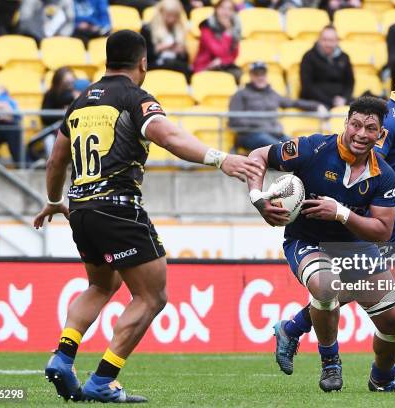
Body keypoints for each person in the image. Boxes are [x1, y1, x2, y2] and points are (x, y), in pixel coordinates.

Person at [34, 30, 262, 403]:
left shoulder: (79, 102)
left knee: (101, 286)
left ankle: (63, 355)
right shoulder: (135, 98)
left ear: (107, 60)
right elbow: (168, 136)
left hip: (81, 210)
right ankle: (103, 379)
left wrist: (54, 199)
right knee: (152, 295)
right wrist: (221, 159)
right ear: (143, 63)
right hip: (118, 208)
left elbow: (57, 158)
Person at [272, 52, 395, 385]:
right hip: (379, 214)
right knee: (351, 289)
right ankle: (294, 329)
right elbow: (372, 165)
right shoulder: (386, 120)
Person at [247, 96, 395, 393]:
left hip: (354, 247)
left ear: (381, 135)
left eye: (371, 128)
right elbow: (258, 155)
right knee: (326, 286)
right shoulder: (313, 148)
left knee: (393, 322)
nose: (362, 134)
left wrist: (340, 212)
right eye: (356, 125)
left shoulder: (383, 175)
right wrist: (258, 198)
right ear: (346, 123)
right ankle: (330, 363)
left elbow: (382, 231)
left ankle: (382, 378)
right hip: (306, 240)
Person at [229, 61, 326, 150]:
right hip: (251, 134)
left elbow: (292, 102)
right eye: (256, 74)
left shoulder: (272, 94)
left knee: (300, 147)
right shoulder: (240, 94)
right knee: (284, 149)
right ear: (251, 76)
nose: (260, 77)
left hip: (274, 134)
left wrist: (316, 106)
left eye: (263, 74)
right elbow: (234, 120)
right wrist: (259, 124)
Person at [299, 25, 354, 109]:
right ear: (319, 40)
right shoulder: (308, 57)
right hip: (316, 103)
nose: (328, 44)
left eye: (331, 40)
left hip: (340, 102)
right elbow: (307, 86)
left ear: (337, 41)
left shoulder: (344, 57)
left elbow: (349, 82)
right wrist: (330, 102)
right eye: (324, 40)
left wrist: (344, 98)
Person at [192, 0, 241, 82]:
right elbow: (218, 51)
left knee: (239, 75)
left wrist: (222, 61)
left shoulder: (234, 29)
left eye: (230, 9)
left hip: (222, 67)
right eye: (222, 8)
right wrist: (227, 34)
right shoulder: (206, 27)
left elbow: (234, 54)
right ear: (216, 9)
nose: (226, 12)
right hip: (205, 67)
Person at [141, 0, 190, 78]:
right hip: (154, 65)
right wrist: (159, 48)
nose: (172, 19)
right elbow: (144, 57)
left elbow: (185, 60)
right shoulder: (147, 29)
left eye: (175, 16)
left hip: (176, 65)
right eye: (169, 15)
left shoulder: (180, 29)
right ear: (161, 13)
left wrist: (181, 52)